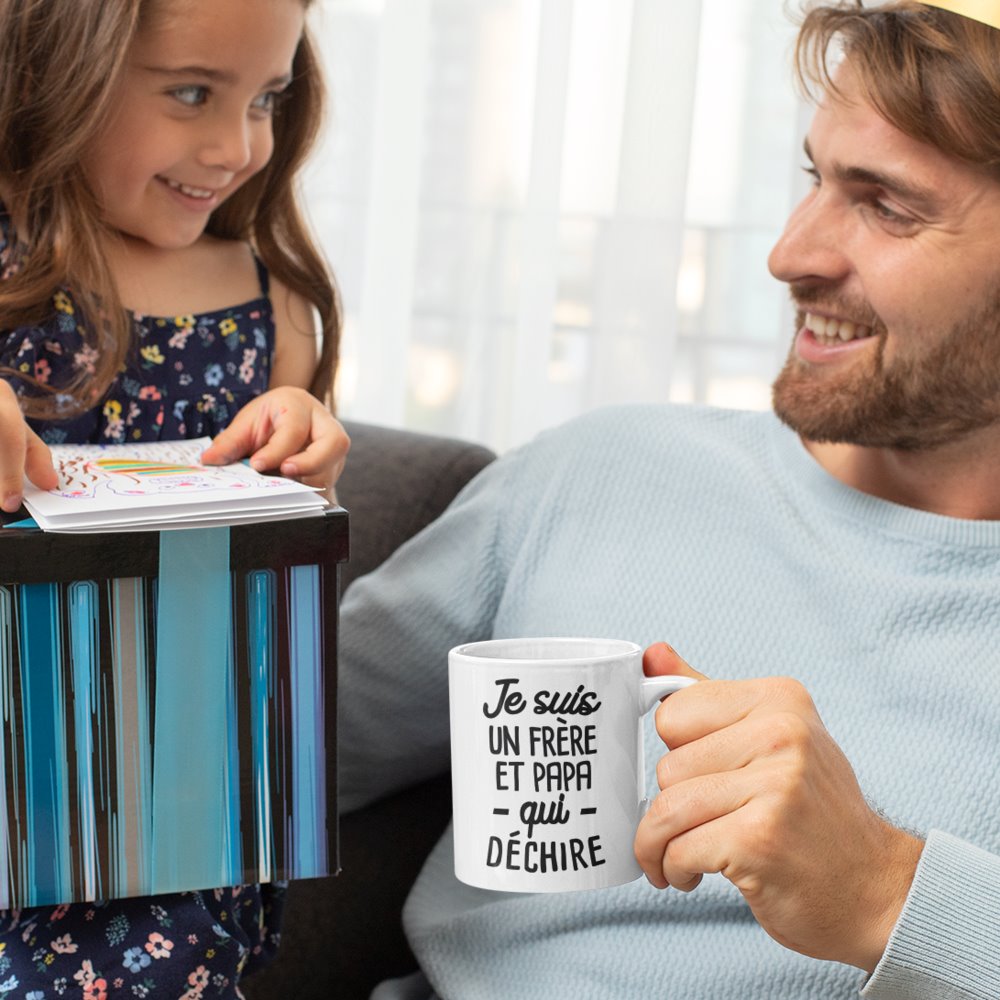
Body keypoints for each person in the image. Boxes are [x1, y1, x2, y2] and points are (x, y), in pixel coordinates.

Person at [335, 1, 1000, 997]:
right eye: (816, 179)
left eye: (887, 205)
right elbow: (205, 772)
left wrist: (882, 889)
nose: (790, 253)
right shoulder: (598, 473)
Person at [0, 0, 349, 995]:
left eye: (267, 98)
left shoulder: (266, 302)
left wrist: (305, 467)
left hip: (172, 820)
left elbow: (293, 609)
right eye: (192, 92)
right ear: (59, 66)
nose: (236, 146)